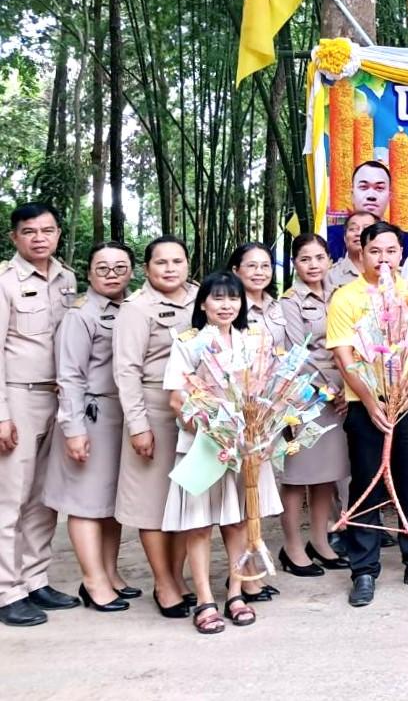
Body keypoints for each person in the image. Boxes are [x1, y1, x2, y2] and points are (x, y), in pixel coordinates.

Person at [162, 273, 284, 634]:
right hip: (203, 444)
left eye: (233, 298)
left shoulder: (254, 341)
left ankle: (235, 593)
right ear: (203, 304)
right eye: (217, 298)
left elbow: (270, 390)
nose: (227, 305)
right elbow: (175, 397)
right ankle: (204, 599)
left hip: (245, 446)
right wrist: (207, 423)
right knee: (198, 525)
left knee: (238, 522)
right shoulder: (188, 343)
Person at [325, 222, 408, 607]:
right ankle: (364, 568)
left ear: (401, 254)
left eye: (391, 251)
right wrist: (372, 403)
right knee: (367, 485)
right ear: (362, 251)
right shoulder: (346, 297)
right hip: (366, 405)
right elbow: (344, 358)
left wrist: (405, 395)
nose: (384, 259)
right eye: (376, 251)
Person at [43, 242, 139, 613]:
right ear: (89, 274)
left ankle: (111, 573)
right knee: (85, 502)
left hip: (124, 414)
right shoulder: (80, 315)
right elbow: (68, 375)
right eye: (103, 268)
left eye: (119, 267)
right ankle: (93, 580)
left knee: (111, 501)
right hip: (92, 413)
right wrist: (74, 429)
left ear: (132, 271)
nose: (112, 274)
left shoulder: (132, 309)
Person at [0, 203, 78, 627]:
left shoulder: (66, 278)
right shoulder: (5, 282)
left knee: (45, 498)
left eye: (47, 230)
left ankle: (34, 578)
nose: (39, 238)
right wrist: (1, 414)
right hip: (18, 398)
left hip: (57, 397)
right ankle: (6, 589)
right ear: (15, 237)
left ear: (58, 234)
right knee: (10, 498)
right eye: (29, 232)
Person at [113, 235, 198, 620]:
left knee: (184, 501)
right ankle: (163, 584)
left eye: (177, 261)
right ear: (147, 269)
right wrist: (137, 425)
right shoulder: (136, 308)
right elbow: (126, 370)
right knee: (151, 503)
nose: (169, 268)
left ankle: (179, 578)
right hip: (152, 408)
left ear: (187, 265)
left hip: (195, 411)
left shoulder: (201, 297)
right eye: (160, 262)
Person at [268, 235, 350, 577]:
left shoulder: (342, 294)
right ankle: (292, 547)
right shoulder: (289, 302)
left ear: (329, 260)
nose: (313, 265)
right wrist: (331, 388)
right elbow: (296, 353)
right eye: (304, 259)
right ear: (295, 264)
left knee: (326, 476)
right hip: (304, 398)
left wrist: (350, 385)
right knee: (298, 475)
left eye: (319, 257)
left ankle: (320, 541)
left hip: (345, 392)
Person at [328, 163, 408, 260]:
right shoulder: (329, 236)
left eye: (379, 188)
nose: (371, 196)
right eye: (364, 187)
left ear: (389, 196)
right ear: (352, 194)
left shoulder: (407, 242)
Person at [325, 211, 377, 294]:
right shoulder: (330, 276)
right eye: (353, 229)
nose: (359, 233)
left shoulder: (391, 272)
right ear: (345, 238)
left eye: (366, 229)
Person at [229, 242, 275, 320]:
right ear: (235, 270)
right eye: (251, 265)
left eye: (265, 266)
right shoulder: (228, 310)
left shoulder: (278, 307)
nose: (259, 272)